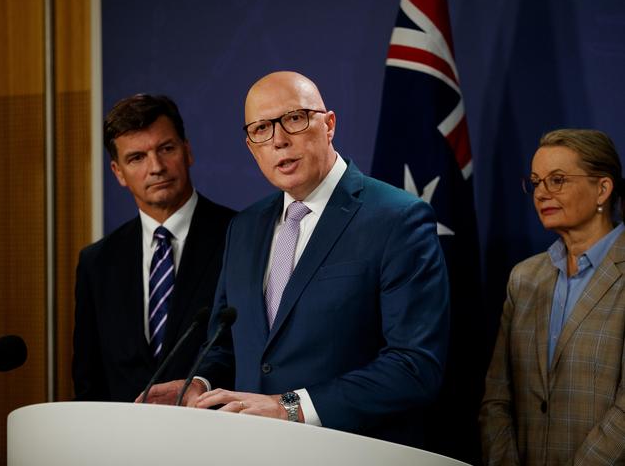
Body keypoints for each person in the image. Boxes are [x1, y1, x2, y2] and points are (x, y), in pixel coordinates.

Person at [142, 71, 449, 447]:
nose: (279, 140)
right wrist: (199, 384)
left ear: (329, 124)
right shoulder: (244, 227)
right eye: (261, 129)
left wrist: (289, 407)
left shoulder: (396, 218)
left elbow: (414, 367)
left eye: (294, 119)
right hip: (252, 451)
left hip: (352, 450)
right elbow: (226, 344)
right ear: (251, 146)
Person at [73, 94, 235, 402]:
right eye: (137, 158)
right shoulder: (97, 262)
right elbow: (88, 386)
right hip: (124, 443)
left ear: (187, 152)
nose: (156, 167)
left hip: (216, 435)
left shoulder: (240, 235)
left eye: (166, 149)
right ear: (118, 172)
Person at [479, 128, 625, 464]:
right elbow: (497, 398)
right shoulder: (525, 278)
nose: (542, 193)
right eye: (536, 182)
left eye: (557, 180)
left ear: (602, 188)